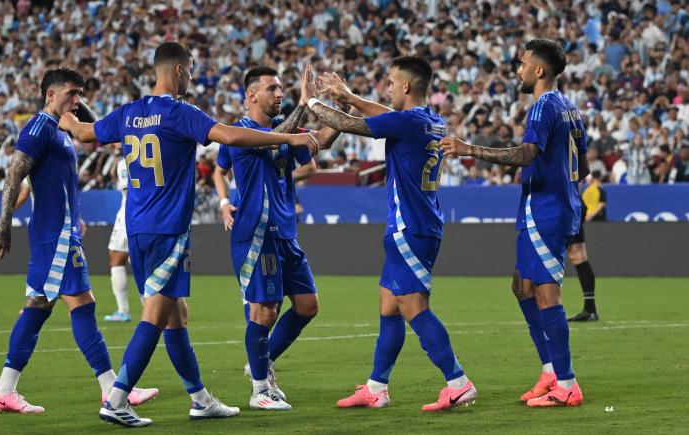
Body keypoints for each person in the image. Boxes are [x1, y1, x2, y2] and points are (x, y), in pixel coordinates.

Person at [59, 42, 319, 426]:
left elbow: (83, 132)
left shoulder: (130, 112)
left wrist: (63, 115)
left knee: (176, 316)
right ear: (179, 71)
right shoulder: (180, 113)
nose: (194, 77)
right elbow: (229, 137)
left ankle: (200, 398)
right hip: (168, 229)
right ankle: (116, 399)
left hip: (137, 227)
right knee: (156, 314)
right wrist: (289, 138)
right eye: (192, 70)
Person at [307, 56, 477, 412]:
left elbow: (349, 125)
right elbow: (383, 112)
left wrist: (310, 100)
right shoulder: (430, 119)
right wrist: (351, 95)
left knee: (414, 308)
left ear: (406, 87)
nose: (386, 86)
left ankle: (458, 382)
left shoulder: (407, 122)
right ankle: (376, 387)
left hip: (409, 228)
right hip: (420, 223)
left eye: (390, 81)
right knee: (389, 306)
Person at [0, 68, 158, 415]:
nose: (77, 101)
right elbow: (14, 175)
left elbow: (95, 135)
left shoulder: (60, 128)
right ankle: (112, 389)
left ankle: (4, 390)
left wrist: (78, 105)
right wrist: (3, 224)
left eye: (80, 94)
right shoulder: (38, 129)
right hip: (56, 236)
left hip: (60, 231)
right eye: (71, 94)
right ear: (50, 95)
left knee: (37, 306)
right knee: (83, 304)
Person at [438, 39, 588, 407]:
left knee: (546, 293)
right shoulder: (570, 108)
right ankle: (551, 370)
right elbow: (582, 167)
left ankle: (567, 383)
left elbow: (525, 154)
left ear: (539, 70)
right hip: (548, 206)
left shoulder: (542, 107)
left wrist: (469, 149)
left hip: (546, 211)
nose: (517, 70)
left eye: (522, 64)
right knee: (522, 286)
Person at [212, 65, 338, 410]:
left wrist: (349, 109)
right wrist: (224, 202)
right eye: (273, 88)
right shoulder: (238, 132)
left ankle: (261, 362)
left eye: (282, 88)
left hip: (285, 232)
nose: (279, 93)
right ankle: (259, 390)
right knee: (264, 312)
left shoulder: (288, 132)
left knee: (307, 306)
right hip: (256, 232)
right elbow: (222, 169)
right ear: (251, 95)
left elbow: (320, 143)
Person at [567, 170, 606, 322]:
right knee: (579, 256)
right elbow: (583, 170)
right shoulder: (575, 147)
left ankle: (547, 310)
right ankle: (590, 309)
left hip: (564, 204)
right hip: (575, 203)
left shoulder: (553, 148)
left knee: (548, 255)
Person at [104, 157, 131, 322]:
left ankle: (123, 310)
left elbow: (129, 193)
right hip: (152, 212)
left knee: (117, 257)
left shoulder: (125, 160)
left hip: (131, 214)